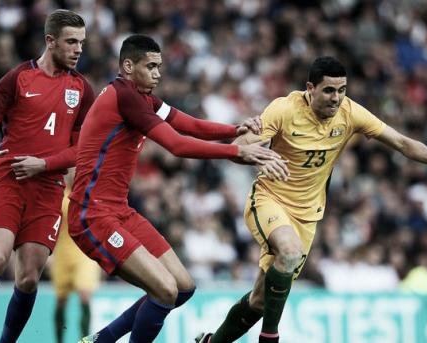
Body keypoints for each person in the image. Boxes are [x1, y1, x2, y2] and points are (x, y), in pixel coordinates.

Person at [196, 56, 427, 343]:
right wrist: (261, 157)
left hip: (308, 215)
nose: (337, 98)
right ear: (310, 88)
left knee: (259, 300)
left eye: (342, 90)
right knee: (289, 253)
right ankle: (270, 337)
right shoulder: (283, 109)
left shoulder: (350, 113)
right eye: (329, 90)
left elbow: (402, 142)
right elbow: (238, 146)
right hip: (270, 199)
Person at [68, 34, 288, 343]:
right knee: (164, 289)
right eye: (151, 66)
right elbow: (176, 144)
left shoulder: (142, 98)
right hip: (92, 215)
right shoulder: (124, 97)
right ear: (128, 66)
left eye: (160, 66)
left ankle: (99, 340)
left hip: (119, 211)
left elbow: (184, 123)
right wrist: (237, 151)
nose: (158, 73)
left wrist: (233, 130)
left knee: (183, 287)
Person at [0, 9, 94, 343]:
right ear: (50, 41)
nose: (78, 50)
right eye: (71, 42)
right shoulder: (17, 78)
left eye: (82, 43)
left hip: (48, 189)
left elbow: (81, 150)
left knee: (28, 278)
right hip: (9, 180)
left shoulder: (82, 89)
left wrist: (43, 165)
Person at [50, 169, 102, 343]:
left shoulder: (90, 196)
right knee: (61, 301)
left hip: (84, 253)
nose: (74, 175)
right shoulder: (59, 196)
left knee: (84, 294)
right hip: (62, 253)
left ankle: (85, 340)